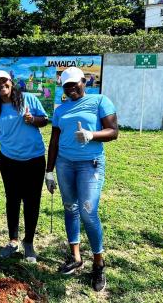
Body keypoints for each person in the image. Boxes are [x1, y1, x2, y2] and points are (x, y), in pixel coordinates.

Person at [45, 66, 118, 292]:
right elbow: (54, 141)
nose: (70, 89)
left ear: (84, 82)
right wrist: (49, 171)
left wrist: (91, 134)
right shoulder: (60, 109)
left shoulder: (99, 101)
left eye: (74, 84)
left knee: (88, 212)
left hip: (90, 164)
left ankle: (98, 263)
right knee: (70, 208)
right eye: (66, 86)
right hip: (64, 164)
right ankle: (76, 256)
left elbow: (113, 131)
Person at [0, 70, 49, 263]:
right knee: (12, 200)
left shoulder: (28, 99)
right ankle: (13, 240)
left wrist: (32, 120)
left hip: (34, 160)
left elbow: (44, 120)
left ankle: (28, 243)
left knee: (31, 201)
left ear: (11, 83)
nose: (2, 85)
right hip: (9, 161)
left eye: (5, 81)